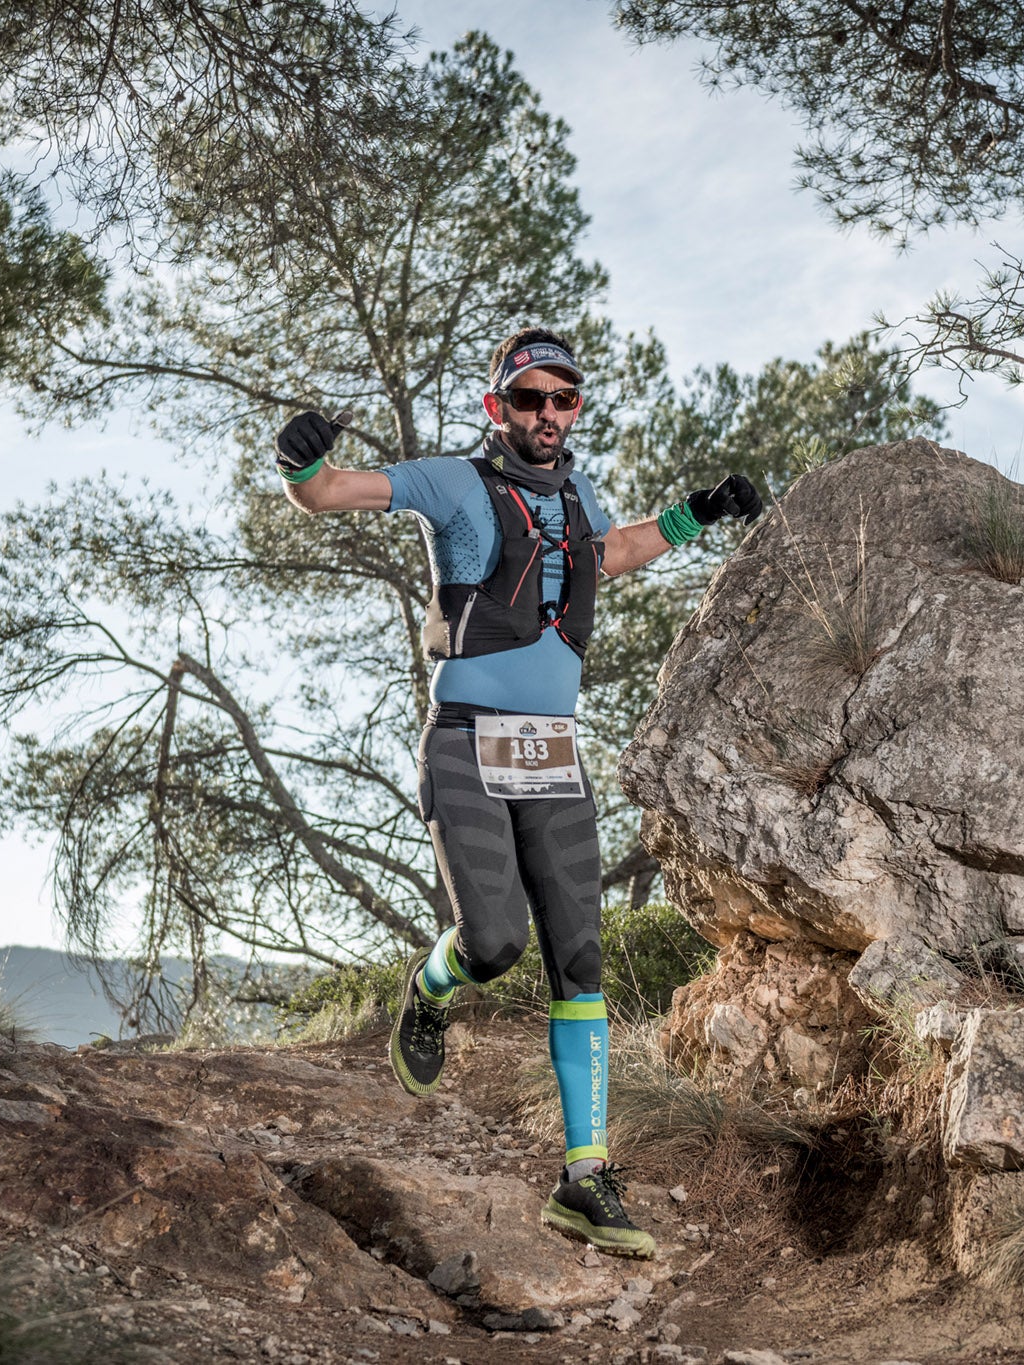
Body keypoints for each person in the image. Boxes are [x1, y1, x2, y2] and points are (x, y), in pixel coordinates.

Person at [273, 327, 760, 1259]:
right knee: (495, 942)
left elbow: (609, 554)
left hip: (553, 754)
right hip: (464, 741)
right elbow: (328, 494)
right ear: (498, 405)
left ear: (575, 408)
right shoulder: (451, 483)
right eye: (530, 398)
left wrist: (698, 513)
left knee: (581, 958)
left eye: (563, 399)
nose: (547, 414)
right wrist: (302, 462)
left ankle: (585, 1177)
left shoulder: (577, 490)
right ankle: (429, 987)